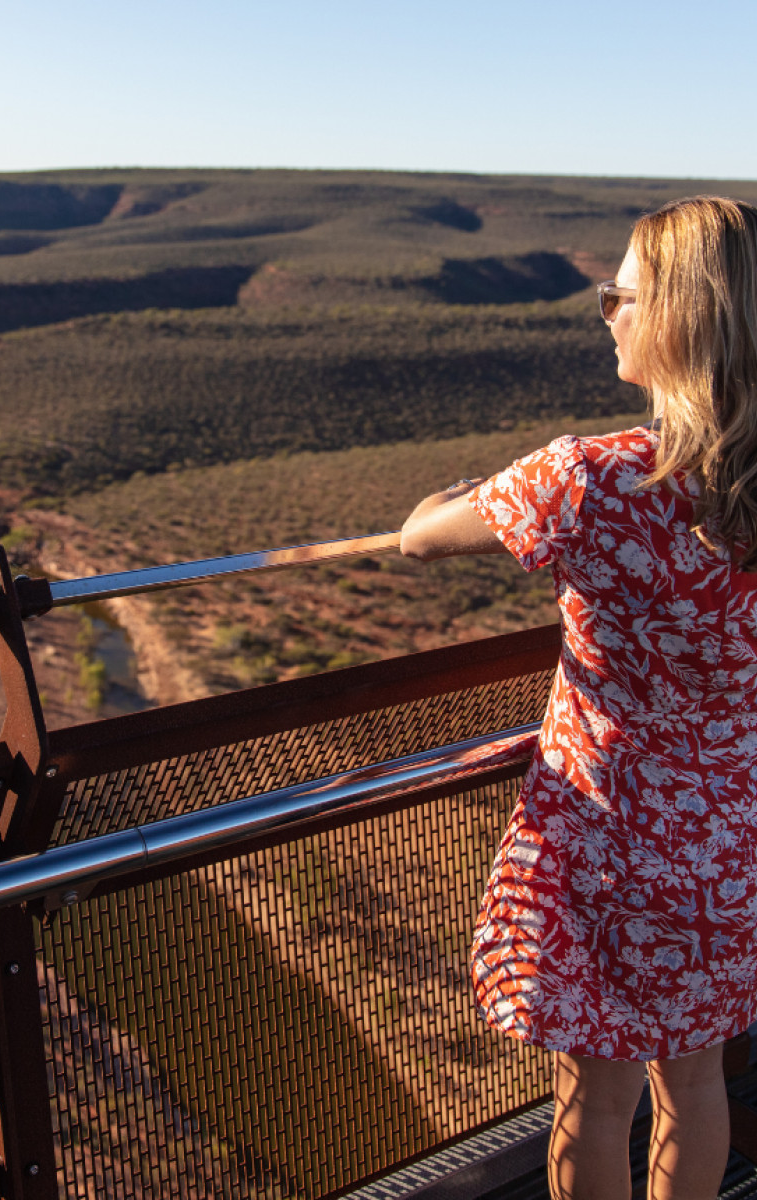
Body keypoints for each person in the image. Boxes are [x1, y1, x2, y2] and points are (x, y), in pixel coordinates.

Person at [400, 195, 757, 1200]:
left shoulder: (594, 480)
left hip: (606, 844)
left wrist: (447, 495)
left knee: (594, 1099)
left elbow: (419, 539)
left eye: (623, 295)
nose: (608, 311)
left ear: (682, 318)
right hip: (733, 848)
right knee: (695, 1084)